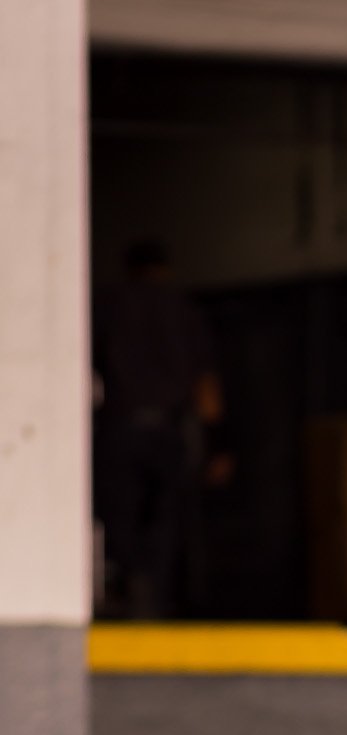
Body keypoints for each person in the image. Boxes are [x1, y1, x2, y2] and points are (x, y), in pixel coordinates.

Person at [92, 239, 229, 617]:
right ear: (164, 268)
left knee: (121, 515)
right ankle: (153, 598)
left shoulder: (108, 305)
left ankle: (135, 587)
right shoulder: (183, 310)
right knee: (165, 521)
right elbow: (207, 388)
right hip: (168, 430)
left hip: (119, 425)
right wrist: (218, 446)